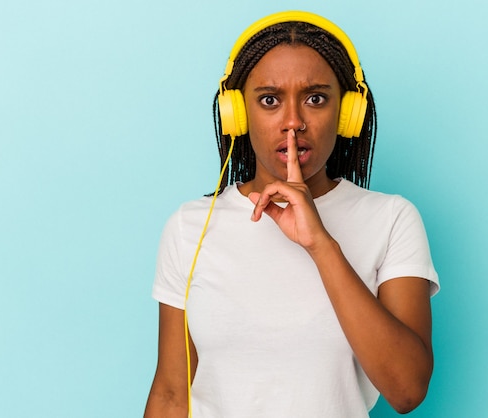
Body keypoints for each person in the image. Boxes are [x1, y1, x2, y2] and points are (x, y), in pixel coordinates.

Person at [144, 10, 439, 418]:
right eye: (269, 100)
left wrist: (321, 244)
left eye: (316, 98)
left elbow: (407, 390)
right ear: (239, 114)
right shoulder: (190, 227)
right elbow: (172, 394)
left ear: (348, 113)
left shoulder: (391, 219)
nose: (293, 122)